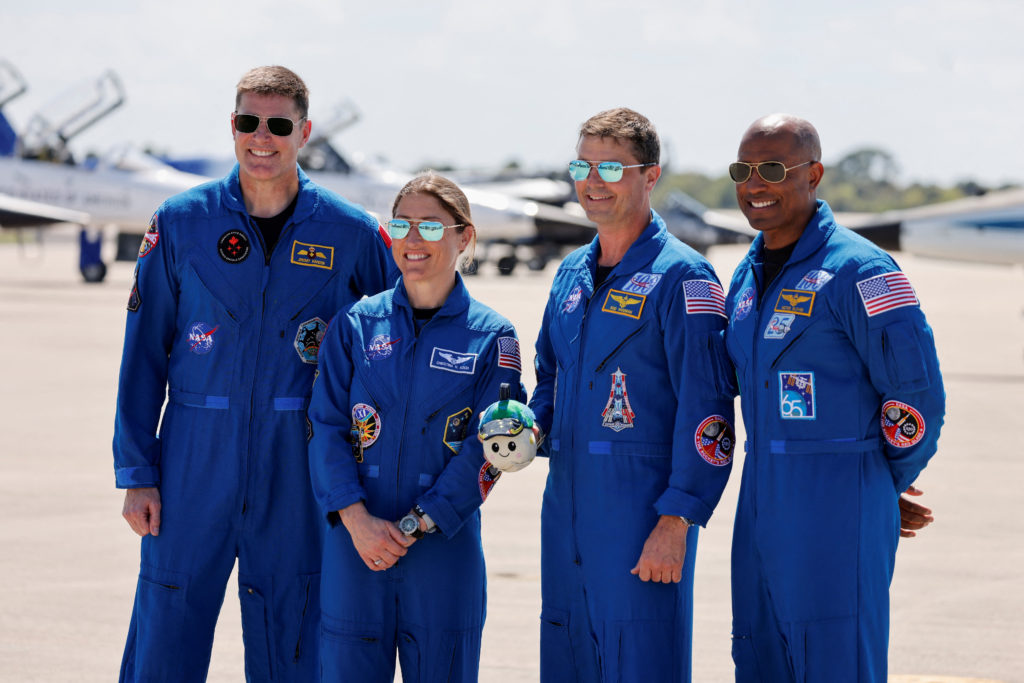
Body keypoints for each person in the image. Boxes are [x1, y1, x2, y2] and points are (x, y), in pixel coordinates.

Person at [113, 65, 393, 682]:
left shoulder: (350, 233)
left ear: (304, 132)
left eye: (278, 124)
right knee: (166, 624)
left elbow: (391, 350)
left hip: (301, 465)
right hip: (192, 461)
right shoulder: (181, 223)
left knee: (294, 631)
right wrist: (137, 472)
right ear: (232, 127)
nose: (261, 137)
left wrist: (368, 477)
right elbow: (143, 354)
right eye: (248, 121)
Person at [723, 114, 945, 682]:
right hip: (760, 502)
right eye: (743, 170)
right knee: (759, 655)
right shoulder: (745, 279)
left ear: (813, 173)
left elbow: (916, 398)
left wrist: (873, 484)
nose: (755, 184)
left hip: (839, 506)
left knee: (836, 662)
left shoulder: (862, 270)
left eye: (772, 168)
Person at [529, 108, 737, 682]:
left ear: (651, 176)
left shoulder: (684, 279)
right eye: (583, 165)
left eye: (612, 167)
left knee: (642, 663)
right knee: (566, 657)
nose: (593, 182)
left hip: (641, 516)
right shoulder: (571, 272)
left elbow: (709, 413)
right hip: (565, 508)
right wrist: (528, 429)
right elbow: (550, 376)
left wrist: (677, 522)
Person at [307, 173, 527, 682]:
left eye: (429, 227)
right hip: (355, 549)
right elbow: (325, 426)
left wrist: (417, 523)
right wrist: (358, 521)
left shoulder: (494, 339)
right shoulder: (356, 325)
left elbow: (487, 449)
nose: (412, 240)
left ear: (464, 237)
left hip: (441, 552)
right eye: (401, 225)